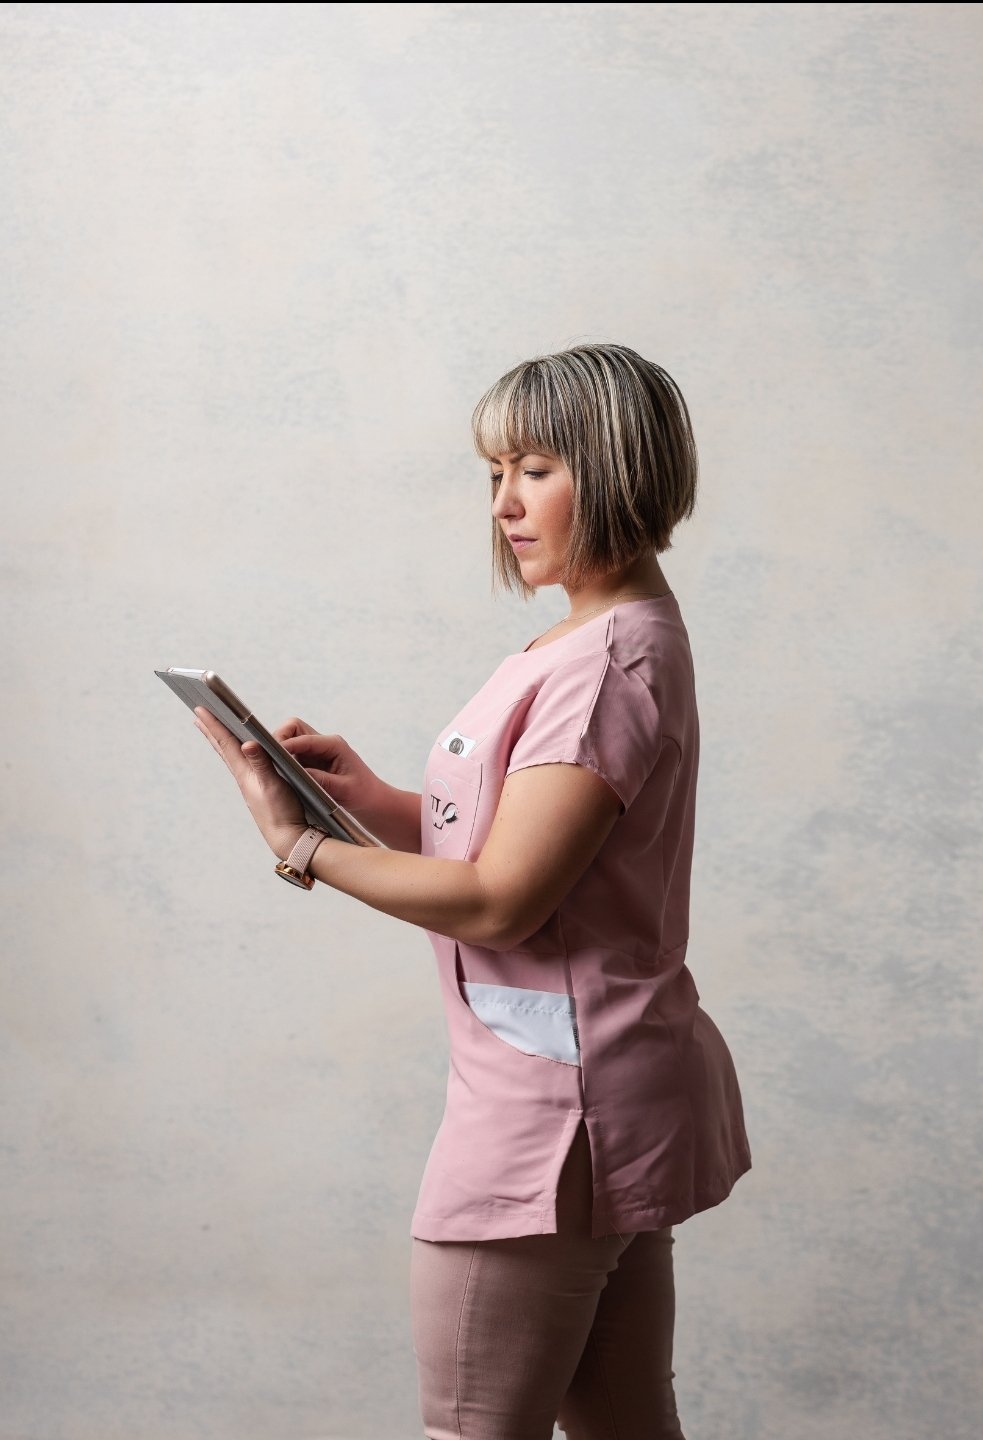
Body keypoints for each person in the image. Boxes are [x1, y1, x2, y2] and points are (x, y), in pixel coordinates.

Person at [192, 341, 753, 1440]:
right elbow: (530, 849)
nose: (502, 501)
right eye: (493, 471)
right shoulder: (599, 640)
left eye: (534, 467)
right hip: (604, 1083)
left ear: (617, 466)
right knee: (624, 1426)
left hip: (553, 1114)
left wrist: (301, 848)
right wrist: (379, 801)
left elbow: (502, 904)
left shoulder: (599, 666)